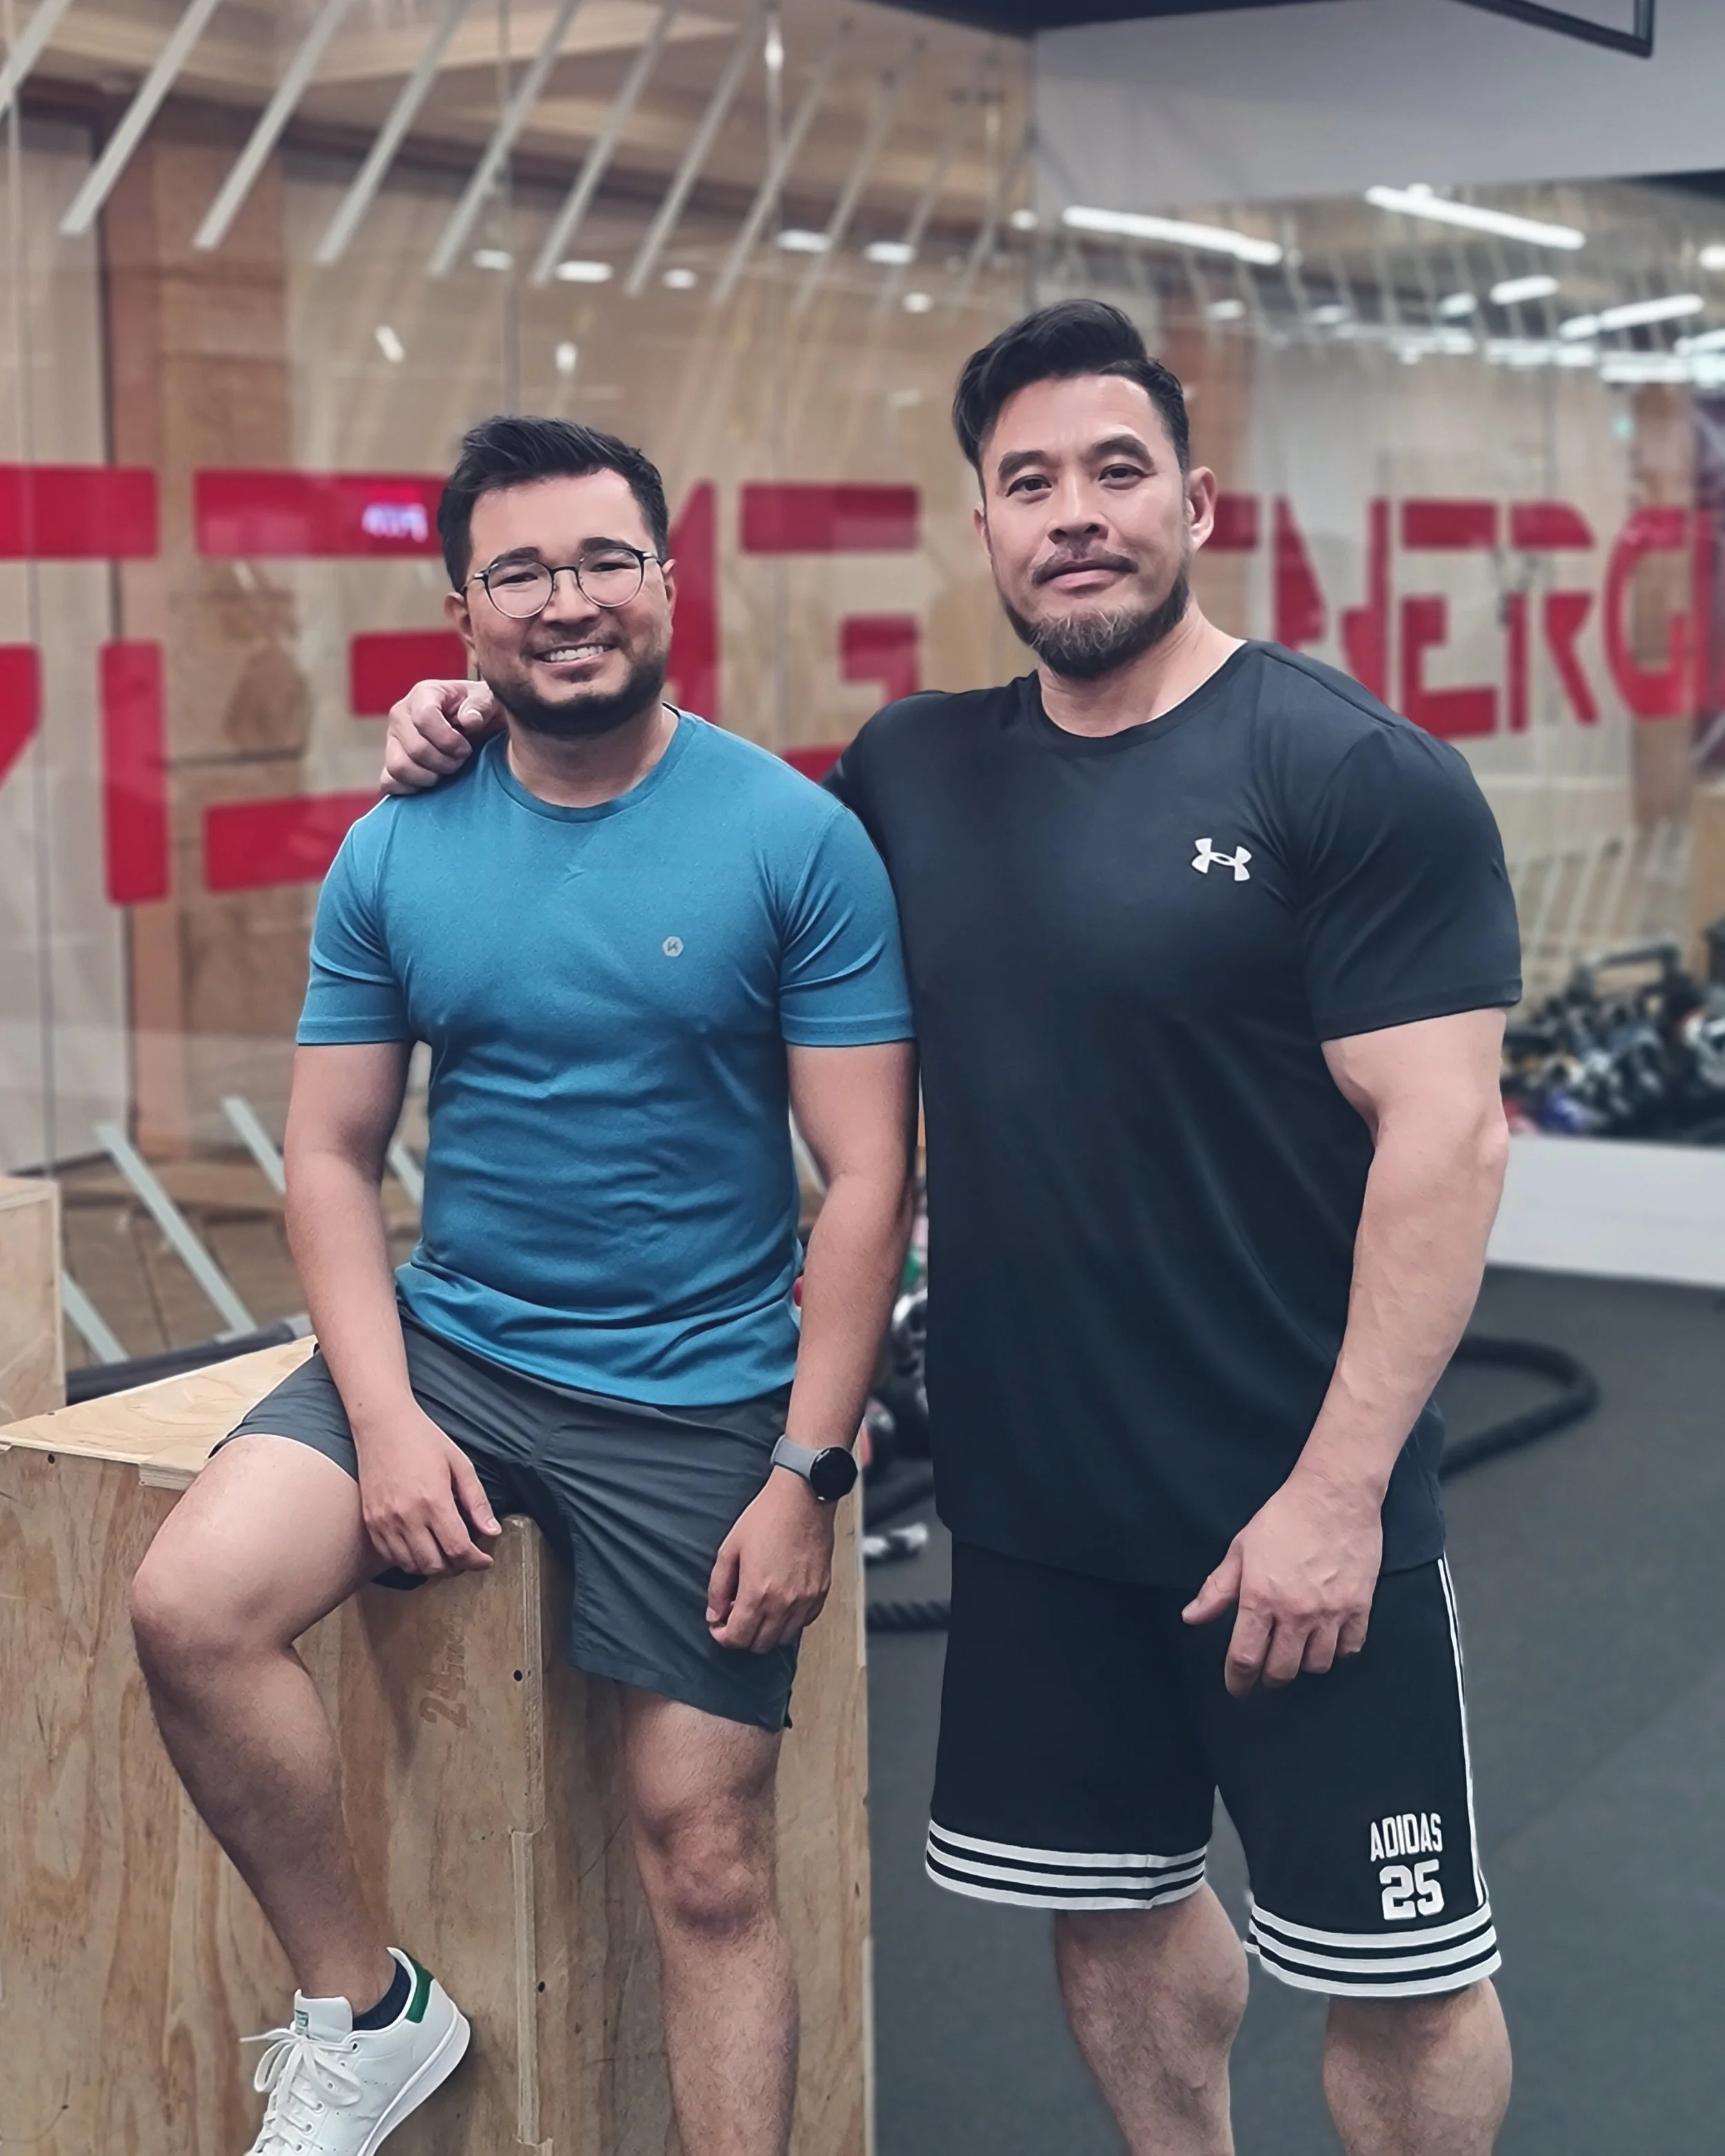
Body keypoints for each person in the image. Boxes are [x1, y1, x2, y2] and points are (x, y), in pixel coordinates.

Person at [382, 302, 1520, 2156]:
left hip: (1300, 1494)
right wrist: (469, 709)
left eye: (1114, 470)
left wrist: (1337, 1491)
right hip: (1039, 1500)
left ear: (1195, 502)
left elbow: (1448, 1142)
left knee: (1393, 1968)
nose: (1074, 513)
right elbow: (676, 809)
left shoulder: (1346, 772)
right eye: (1027, 482)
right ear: (983, 526)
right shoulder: (916, 769)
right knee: (1116, 1903)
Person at [129, 415, 916, 2156]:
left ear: (663, 578)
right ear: (461, 613)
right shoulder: (396, 847)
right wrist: (392, 1418)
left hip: (702, 1383)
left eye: (602, 560)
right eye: (522, 572)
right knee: (191, 1604)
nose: (569, 601)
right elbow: (330, 1155)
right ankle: (368, 2005)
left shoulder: (793, 837)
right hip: (462, 1344)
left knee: (702, 1852)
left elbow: (868, 1178)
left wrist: (807, 1471)